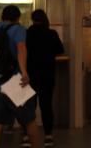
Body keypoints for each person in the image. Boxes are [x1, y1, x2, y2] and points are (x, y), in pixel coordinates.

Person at [0, 5, 40, 148]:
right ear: (18, 17)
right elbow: (21, 49)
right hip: (14, 82)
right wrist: (24, 72)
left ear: (2, 16)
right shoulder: (18, 29)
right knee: (30, 120)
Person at [22, 9, 65, 147]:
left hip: (30, 76)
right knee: (46, 105)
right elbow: (60, 50)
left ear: (32, 19)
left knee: (29, 106)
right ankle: (48, 135)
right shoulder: (51, 34)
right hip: (47, 75)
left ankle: (26, 136)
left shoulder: (27, 34)